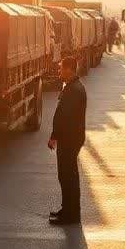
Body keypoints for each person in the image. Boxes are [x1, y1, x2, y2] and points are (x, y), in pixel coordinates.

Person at [47, 57, 87, 226]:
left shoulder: (74, 90)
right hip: (70, 138)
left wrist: (55, 136)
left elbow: (65, 118)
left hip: (69, 139)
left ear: (70, 69)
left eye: (61, 68)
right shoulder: (72, 87)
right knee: (67, 176)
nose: (59, 71)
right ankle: (68, 210)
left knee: (67, 176)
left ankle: (70, 215)